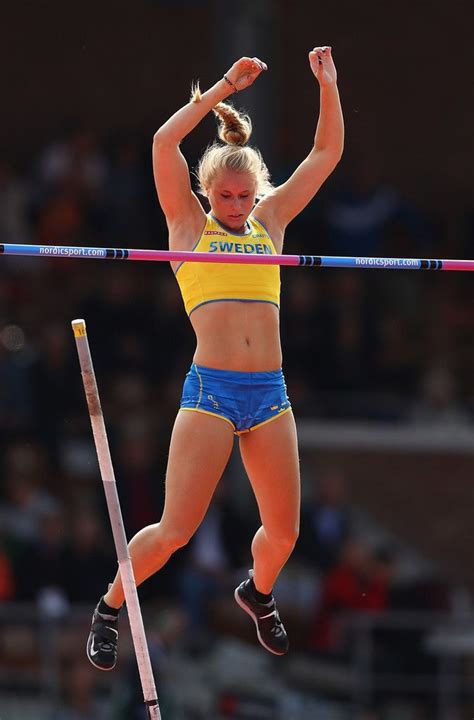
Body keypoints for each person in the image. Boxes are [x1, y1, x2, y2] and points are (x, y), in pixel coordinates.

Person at [87, 47, 344, 670]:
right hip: (213, 391)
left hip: (270, 393)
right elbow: (161, 142)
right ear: (207, 192)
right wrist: (222, 88)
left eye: (244, 194)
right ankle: (110, 606)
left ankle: (256, 593)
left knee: (283, 534)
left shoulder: (272, 221)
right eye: (225, 195)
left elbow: (325, 156)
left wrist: (329, 87)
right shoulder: (186, 228)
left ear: (257, 191)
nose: (235, 204)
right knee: (175, 530)